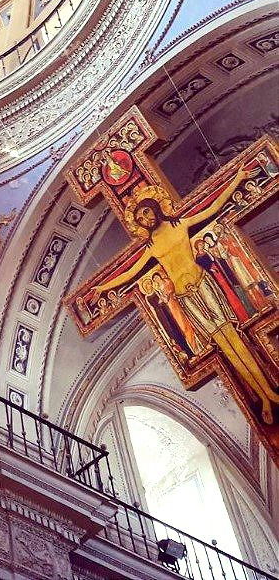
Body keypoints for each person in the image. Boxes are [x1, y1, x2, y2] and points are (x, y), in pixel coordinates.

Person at [94, 175, 279, 425]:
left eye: (147, 212)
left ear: (156, 207)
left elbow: (212, 208)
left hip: (204, 285)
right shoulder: (150, 247)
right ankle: (263, 397)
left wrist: (237, 178)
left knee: (236, 339)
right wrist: (102, 287)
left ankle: (269, 391)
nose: (147, 219)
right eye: (141, 219)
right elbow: (129, 273)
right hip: (185, 297)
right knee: (224, 347)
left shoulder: (179, 224)